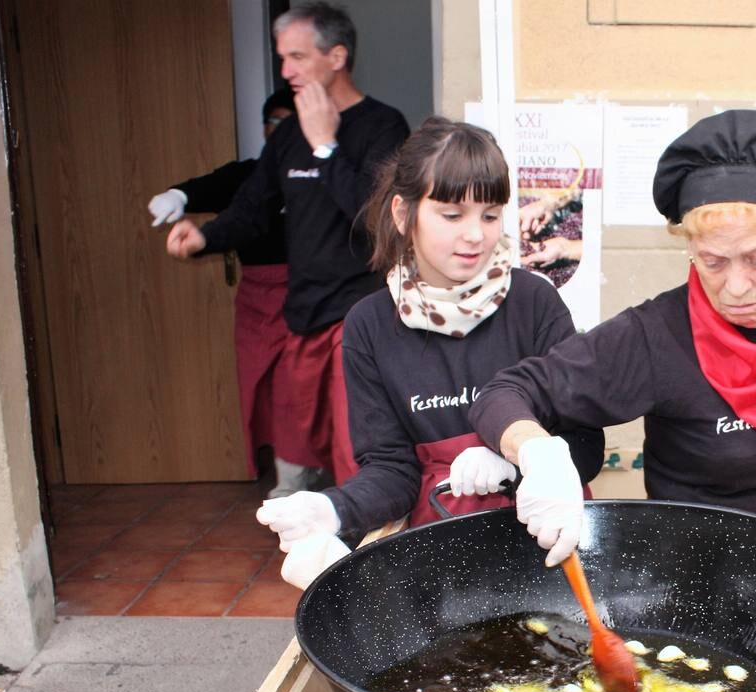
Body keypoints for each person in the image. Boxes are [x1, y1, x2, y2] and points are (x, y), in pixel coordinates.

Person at [468, 109, 756, 572]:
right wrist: (537, 452)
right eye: (714, 261)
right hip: (699, 575)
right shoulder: (654, 335)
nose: (737, 286)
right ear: (690, 250)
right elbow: (506, 393)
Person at [254, 117, 604, 571]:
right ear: (404, 214)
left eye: (491, 214)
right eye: (452, 215)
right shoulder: (370, 325)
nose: (476, 235)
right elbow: (391, 472)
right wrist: (335, 508)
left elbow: (586, 446)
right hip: (440, 547)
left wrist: (515, 463)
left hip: (548, 538)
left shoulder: (535, 302)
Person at [165, 3, 408, 486]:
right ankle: (305, 549)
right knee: (295, 467)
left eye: (296, 56)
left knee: (355, 457)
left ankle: (361, 555)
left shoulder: (383, 126)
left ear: (336, 56)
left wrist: (325, 147)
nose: (285, 71)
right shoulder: (288, 134)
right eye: (282, 58)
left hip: (358, 319)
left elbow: (376, 217)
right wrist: (205, 236)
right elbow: (253, 207)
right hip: (302, 317)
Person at [148, 89, 313, 497]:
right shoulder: (250, 176)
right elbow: (215, 192)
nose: (279, 131)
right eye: (273, 122)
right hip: (257, 299)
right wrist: (180, 196)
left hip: (312, 299)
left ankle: (318, 483)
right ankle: (290, 485)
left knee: (307, 389)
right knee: (268, 390)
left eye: (288, 123)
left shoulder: (322, 175)